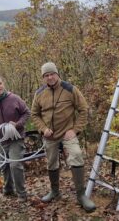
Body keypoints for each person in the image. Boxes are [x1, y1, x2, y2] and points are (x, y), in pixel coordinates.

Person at [31, 62, 96, 212]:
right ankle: (54, 192)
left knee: (77, 155)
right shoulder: (39, 93)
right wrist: (43, 129)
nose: (50, 77)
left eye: (52, 74)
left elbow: (84, 109)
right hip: (49, 136)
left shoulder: (70, 89)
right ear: (43, 78)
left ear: (57, 74)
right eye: (46, 75)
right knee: (51, 163)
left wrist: (75, 130)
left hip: (68, 133)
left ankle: (81, 196)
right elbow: (34, 114)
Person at [0, 75, 31, 201]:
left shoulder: (14, 98)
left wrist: (17, 124)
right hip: (1, 140)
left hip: (16, 138)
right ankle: (8, 190)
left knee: (14, 164)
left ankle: (22, 194)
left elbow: (26, 113)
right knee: (5, 165)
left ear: (3, 84)